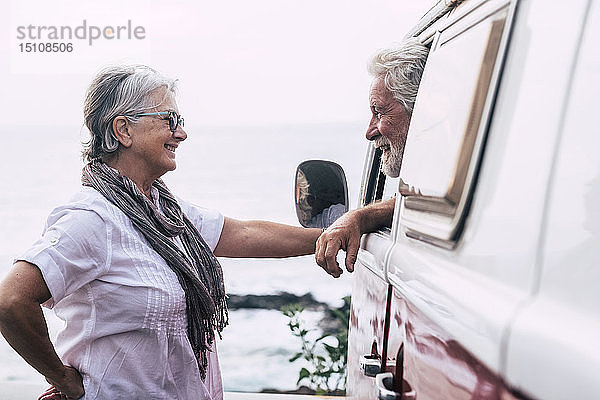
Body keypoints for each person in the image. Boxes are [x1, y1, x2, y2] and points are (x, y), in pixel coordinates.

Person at [0, 65, 323, 400]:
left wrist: (336, 233)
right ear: (123, 130)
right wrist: (64, 379)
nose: (181, 133)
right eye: (170, 119)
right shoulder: (91, 218)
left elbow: (241, 233)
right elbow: (10, 300)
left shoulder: (161, 210)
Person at [315, 39, 429, 278]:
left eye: (379, 112)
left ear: (422, 111)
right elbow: (421, 201)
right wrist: (360, 217)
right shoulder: (444, 179)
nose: (369, 132)